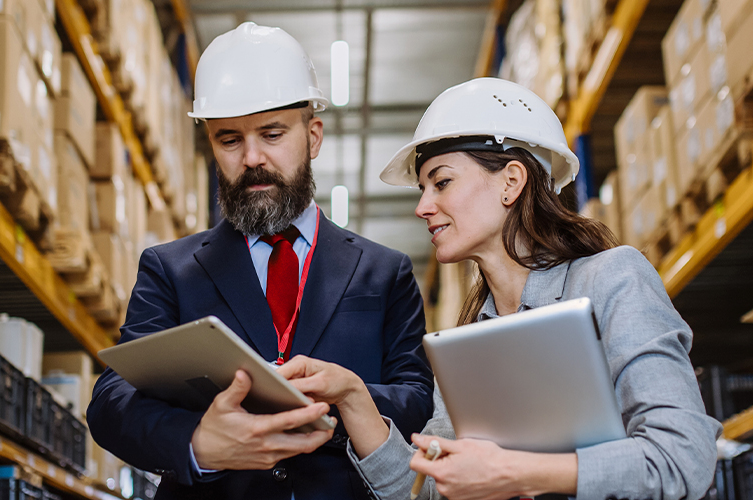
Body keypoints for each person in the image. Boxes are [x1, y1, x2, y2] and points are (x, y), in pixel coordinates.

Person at [278, 77, 722, 500]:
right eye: (422, 188)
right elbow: (425, 492)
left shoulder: (613, 279)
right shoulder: (469, 340)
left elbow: (683, 458)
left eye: (442, 182)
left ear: (511, 181)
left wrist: (511, 471)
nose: (422, 207)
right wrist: (353, 397)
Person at [86, 22, 434, 500]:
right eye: (229, 140)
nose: (252, 158)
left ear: (313, 137)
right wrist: (200, 443)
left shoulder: (385, 271)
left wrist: (343, 396)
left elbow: (418, 399)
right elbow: (112, 400)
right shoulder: (170, 270)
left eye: (272, 134)